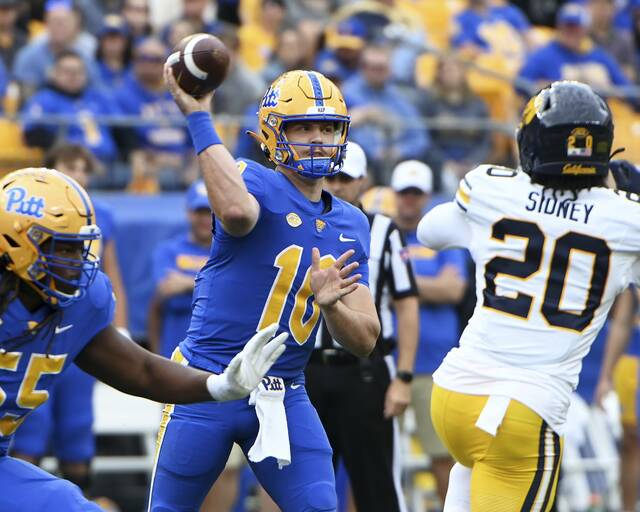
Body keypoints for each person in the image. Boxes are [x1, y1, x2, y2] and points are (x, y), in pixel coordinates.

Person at [154, 67, 380, 511]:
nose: (317, 138)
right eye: (303, 127)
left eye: (328, 127)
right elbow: (238, 213)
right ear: (273, 134)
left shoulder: (352, 221)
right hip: (206, 376)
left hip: (283, 389)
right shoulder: (252, 179)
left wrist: (332, 309)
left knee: (318, 506)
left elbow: (366, 339)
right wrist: (200, 118)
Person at [0, 167, 287, 512]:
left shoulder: (77, 303)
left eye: (80, 249)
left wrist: (219, 385)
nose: (78, 263)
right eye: (64, 249)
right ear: (16, 246)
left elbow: (140, 370)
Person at [417, 80, 640, 510]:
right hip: (523, 412)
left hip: (456, 397)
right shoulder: (625, 219)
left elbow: (430, 231)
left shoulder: (493, 188)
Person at [10, 143, 129, 500]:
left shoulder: (99, 216)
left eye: (83, 168)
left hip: (73, 331)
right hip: (29, 334)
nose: (78, 174)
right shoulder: (27, 218)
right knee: (29, 431)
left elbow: (112, 274)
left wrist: (119, 329)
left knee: (77, 430)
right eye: (69, 166)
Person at [306, 141, 419, 512]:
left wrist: (403, 376)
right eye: (331, 176)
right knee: (304, 486)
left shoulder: (383, 230)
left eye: (345, 177)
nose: (336, 185)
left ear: (363, 181)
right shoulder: (300, 222)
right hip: (308, 370)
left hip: (365, 373)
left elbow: (406, 304)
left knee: (376, 486)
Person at [390, 160, 467, 504]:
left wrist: (398, 284)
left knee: (443, 458)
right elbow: (442, 286)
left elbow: (454, 289)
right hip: (389, 363)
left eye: (415, 194)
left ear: (426, 197)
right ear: (394, 195)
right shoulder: (383, 234)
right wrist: (427, 285)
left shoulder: (441, 238)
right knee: (376, 457)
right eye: (404, 193)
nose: (409, 200)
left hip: (436, 366)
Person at [148, 179, 211, 359]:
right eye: (200, 212)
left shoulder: (228, 253)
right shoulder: (168, 251)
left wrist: (185, 282)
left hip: (215, 351)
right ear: (189, 213)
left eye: (209, 212)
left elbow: (233, 292)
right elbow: (166, 288)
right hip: (174, 348)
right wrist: (213, 284)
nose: (205, 219)